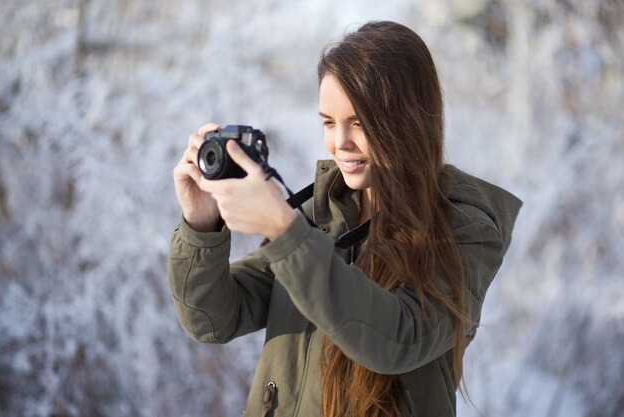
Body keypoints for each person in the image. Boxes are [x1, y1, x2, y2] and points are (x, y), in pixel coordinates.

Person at [168, 21, 522, 417]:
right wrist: (201, 226)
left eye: (359, 123)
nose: (340, 143)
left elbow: (396, 338)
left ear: (407, 120)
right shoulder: (320, 215)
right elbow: (213, 319)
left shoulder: (465, 229)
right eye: (328, 122)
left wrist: (284, 231)